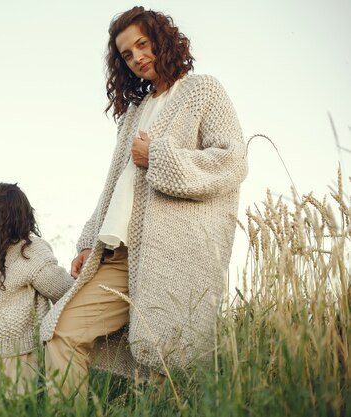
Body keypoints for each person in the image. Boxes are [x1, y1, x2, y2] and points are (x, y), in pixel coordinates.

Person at [40, 6, 249, 398]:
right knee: (61, 332)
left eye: (142, 44)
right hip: (118, 254)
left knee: (169, 367)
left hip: (172, 255)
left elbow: (233, 160)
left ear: (161, 39)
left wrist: (159, 156)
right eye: (127, 54)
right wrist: (89, 239)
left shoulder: (203, 90)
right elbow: (113, 186)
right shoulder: (134, 114)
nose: (137, 57)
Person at [0, 182, 75, 396]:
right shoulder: (31, 251)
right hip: (18, 340)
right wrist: (81, 282)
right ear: (26, 215)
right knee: (16, 398)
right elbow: (59, 288)